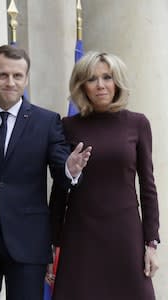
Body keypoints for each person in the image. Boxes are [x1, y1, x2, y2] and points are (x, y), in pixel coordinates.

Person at [0, 44, 91, 300]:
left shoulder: (47, 121)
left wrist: (70, 170)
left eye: (18, 76)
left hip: (28, 240)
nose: (10, 82)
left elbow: (61, 171)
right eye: (2, 75)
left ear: (26, 79)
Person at [49, 51, 160, 300]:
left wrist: (151, 243)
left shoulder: (137, 123)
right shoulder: (67, 126)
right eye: (92, 79)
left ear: (117, 82)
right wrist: (52, 245)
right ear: (82, 86)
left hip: (125, 233)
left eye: (107, 77)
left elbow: (148, 186)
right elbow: (59, 188)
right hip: (80, 233)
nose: (100, 85)